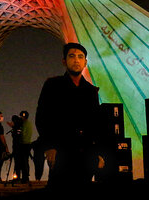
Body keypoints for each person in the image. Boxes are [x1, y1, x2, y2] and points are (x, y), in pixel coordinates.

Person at [35, 42, 103, 187]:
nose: (76, 60)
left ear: (85, 62)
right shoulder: (52, 85)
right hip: (61, 152)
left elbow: (95, 123)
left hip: (86, 154)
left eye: (80, 57)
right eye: (72, 56)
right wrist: (50, 146)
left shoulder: (91, 91)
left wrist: (97, 152)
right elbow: (42, 117)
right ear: (64, 61)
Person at [18, 110, 33, 183]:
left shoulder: (24, 124)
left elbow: (22, 134)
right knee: (26, 161)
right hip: (28, 144)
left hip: (23, 144)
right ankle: (26, 176)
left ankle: (24, 178)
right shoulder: (29, 124)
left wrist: (18, 134)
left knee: (23, 162)